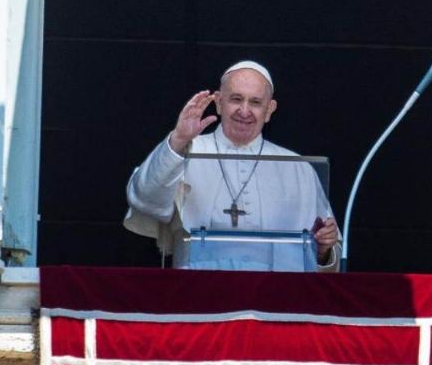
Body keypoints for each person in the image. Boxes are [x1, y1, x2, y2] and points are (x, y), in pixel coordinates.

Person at [124, 61, 341, 271]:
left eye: (255, 102)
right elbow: (144, 200)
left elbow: (328, 255)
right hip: (195, 293)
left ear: (269, 109)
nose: (244, 111)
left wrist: (323, 249)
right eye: (236, 99)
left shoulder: (297, 168)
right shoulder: (183, 151)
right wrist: (179, 139)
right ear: (218, 102)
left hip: (271, 299)